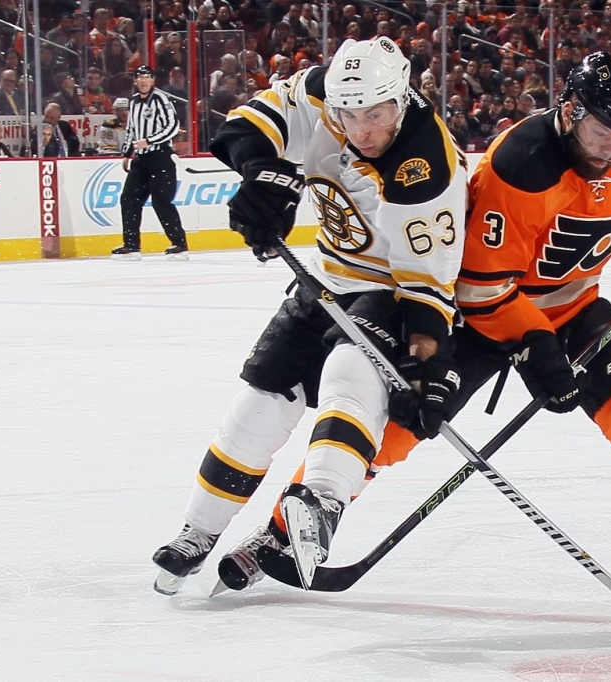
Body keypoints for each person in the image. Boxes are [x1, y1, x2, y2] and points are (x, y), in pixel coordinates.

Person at [170, 51, 611, 599]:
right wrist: (535, 347)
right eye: (601, 134)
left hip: (575, 307)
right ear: (570, 112)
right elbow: (480, 288)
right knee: (395, 429)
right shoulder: (520, 165)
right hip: (484, 316)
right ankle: (285, 531)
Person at [150, 36, 468, 595]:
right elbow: (248, 126)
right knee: (261, 399)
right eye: (349, 114)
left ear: (403, 97)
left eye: (376, 113)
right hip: (327, 276)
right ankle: (197, 531)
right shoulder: (321, 95)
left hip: (395, 292)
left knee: (351, 371)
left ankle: (320, 502)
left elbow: (428, 286)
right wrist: (263, 174)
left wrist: (425, 365)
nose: (361, 128)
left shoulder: (427, 167)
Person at [112, 65, 188, 260]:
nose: (144, 81)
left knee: (161, 201)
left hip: (160, 157)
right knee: (129, 199)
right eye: (140, 77)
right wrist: (127, 153)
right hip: (141, 159)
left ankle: (179, 243)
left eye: (147, 77)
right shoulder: (134, 102)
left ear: (153, 80)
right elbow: (131, 129)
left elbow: (173, 126)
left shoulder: (161, 99)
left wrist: (150, 140)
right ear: (135, 81)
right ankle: (132, 245)